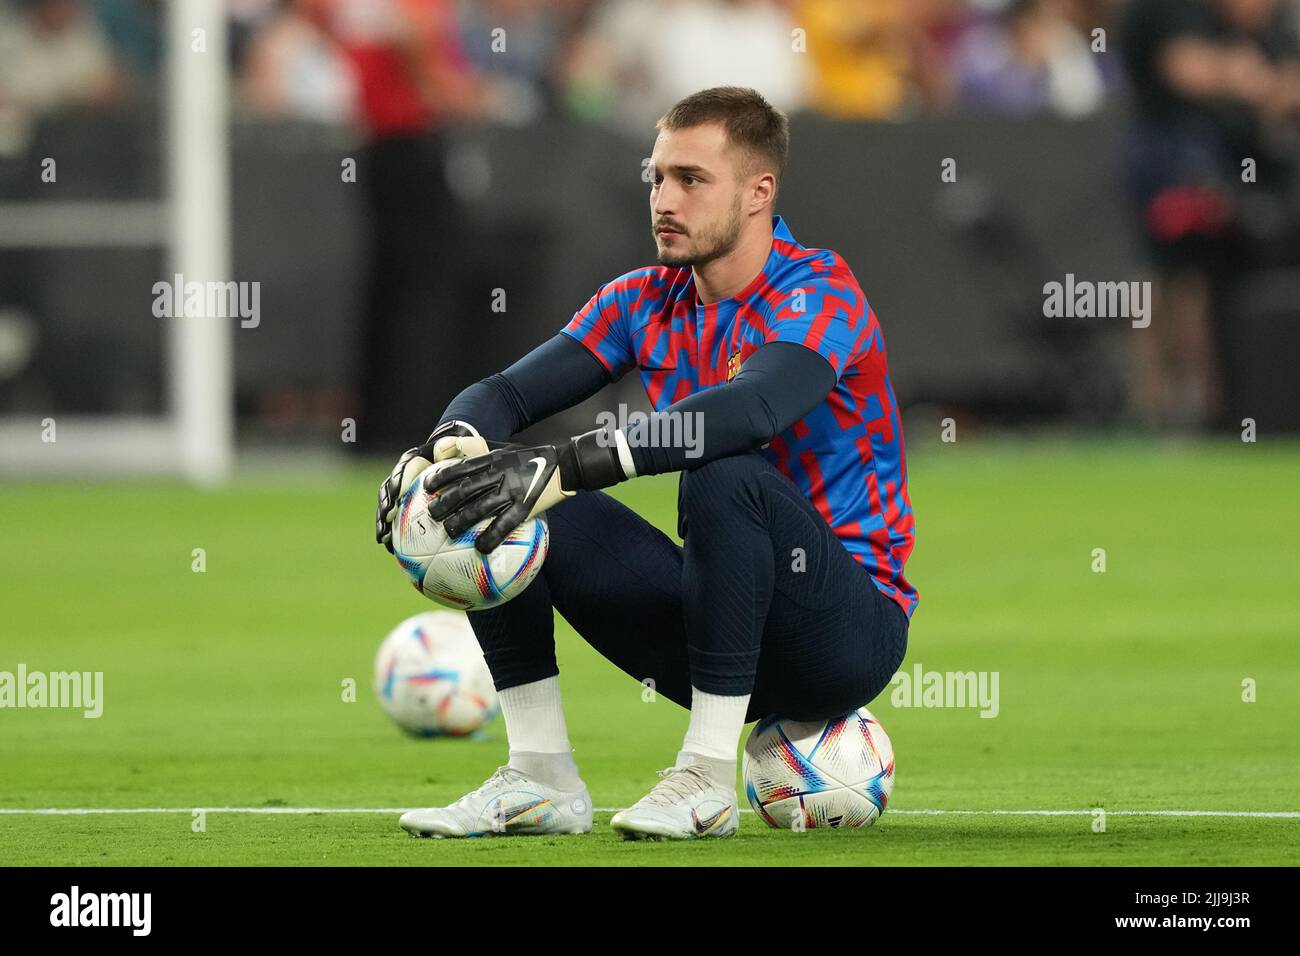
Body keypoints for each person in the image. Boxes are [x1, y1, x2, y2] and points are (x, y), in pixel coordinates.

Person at [374, 86, 917, 841]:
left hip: (842, 635)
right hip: (716, 623)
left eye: (691, 180)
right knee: (490, 489)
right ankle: (540, 778)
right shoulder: (644, 298)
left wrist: (569, 462)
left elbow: (750, 412)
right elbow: (501, 393)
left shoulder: (818, 289)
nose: (664, 198)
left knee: (722, 465)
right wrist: (443, 453)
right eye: (657, 177)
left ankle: (704, 779)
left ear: (760, 192)